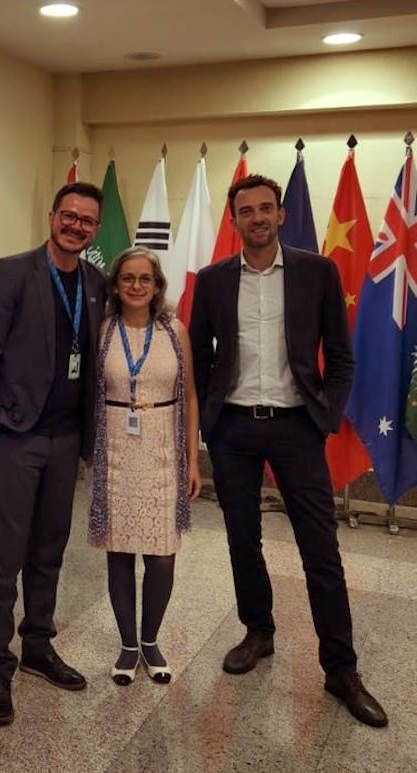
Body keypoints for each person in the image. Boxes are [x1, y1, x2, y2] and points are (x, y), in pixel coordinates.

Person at [188, 173, 387, 728]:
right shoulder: (212, 280)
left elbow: (341, 358)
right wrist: (211, 421)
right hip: (234, 433)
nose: (256, 218)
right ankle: (259, 630)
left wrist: (323, 415)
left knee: (320, 549)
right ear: (233, 221)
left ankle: (341, 668)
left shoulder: (317, 272)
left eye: (265, 209)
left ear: (280, 215)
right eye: (245, 210)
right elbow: (199, 354)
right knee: (242, 540)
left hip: (297, 427)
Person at [0, 181, 107, 725]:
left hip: (67, 440)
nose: (76, 226)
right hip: (15, 437)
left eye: (87, 221)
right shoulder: (11, 272)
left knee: (50, 550)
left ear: (95, 230)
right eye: (69, 216)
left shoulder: (97, 284)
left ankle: (38, 647)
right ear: (52, 217)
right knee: (3, 559)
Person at [88, 247, 201, 686]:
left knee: (161, 558)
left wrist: (192, 460)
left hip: (161, 451)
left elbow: (190, 396)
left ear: (157, 287)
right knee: (119, 553)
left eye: (145, 279)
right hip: (116, 450)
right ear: (116, 285)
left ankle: (151, 640)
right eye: (128, 278)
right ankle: (128, 645)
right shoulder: (103, 330)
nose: (137, 285)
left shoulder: (175, 330)